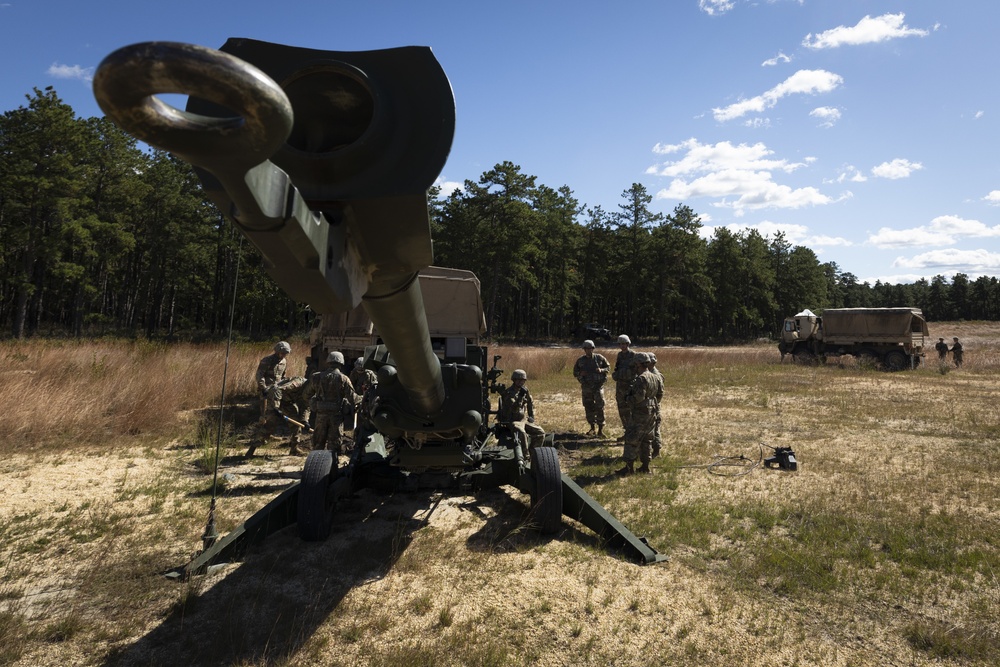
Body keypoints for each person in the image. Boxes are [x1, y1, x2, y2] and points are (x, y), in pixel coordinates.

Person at [307, 351, 358, 455]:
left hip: (320, 414)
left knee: (318, 443)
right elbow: (353, 398)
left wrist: (313, 403)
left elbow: (306, 394)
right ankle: (331, 467)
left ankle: (315, 464)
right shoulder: (343, 379)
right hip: (336, 415)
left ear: (328, 362)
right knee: (334, 445)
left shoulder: (316, 377)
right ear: (341, 363)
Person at [618, 352, 662, 475]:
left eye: (635, 364)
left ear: (638, 364)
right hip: (652, 411)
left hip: (640, 412)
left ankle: (629, 468)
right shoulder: (655, 377)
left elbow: (639, 397)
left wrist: (627, 399)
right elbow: (659, 394)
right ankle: (645, 466)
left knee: (632, 438)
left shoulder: (641, 378)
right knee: (647, 439)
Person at [245, 341, 291, 457]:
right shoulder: (267, 361)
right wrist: (263, 388)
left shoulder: (284, 362)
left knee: (273, 415)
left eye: (285, 353)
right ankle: (256, 441)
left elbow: (283, 376)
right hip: (266, 392)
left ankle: (267, 435)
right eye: (282, 353)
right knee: (264, 415)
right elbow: (259, 375)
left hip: (277, 392)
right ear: (277, 351)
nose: (283, 355)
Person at [497, 369, 546, 451]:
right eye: (519, 380)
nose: (521, 382)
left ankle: (533, 452)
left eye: (523, 380)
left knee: (540, 432)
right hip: (512, 420)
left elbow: (530, 402)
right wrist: (520, 397)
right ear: (514, 380)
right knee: (522, 433)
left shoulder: (524, 390)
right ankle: (525, 455)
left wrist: (531, 416)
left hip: (523, 420)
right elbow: (514, 409)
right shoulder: (508, 393)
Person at [572, 340, 610, 436]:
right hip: (586, 387)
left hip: (598, 387)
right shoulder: (580, 360)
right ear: (584, 349)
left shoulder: (600, 358)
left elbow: (608, 368)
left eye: (590, 348)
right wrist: (580, 373)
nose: (588, 350)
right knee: (588, 407)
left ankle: (601, 429)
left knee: (600, 407)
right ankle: (592, 427)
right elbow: (575, 372)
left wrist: (601, 370)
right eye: (586, 349)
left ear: (593, 349)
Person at [612, 334, 638, 441]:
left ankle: (632, 433)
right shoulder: (619, 355)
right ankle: (627, 431)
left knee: (631, 410)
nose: (623, 346)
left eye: (624, 344)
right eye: (621, 344)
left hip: (630, 387)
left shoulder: (634, 355)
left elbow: (637, 370)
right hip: (620, 387)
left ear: (628, 344)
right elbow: (617, 368)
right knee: (622, 410)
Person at [647, 352, 664, 458]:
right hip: (651, 405)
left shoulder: (656, 375)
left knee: (655, 428)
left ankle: (656, 450)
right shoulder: (650, 373)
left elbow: (660, 393)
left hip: (654, 406)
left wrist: (654, 404)